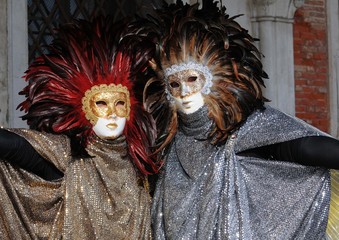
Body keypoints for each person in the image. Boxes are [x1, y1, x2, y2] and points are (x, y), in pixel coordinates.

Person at [133, 0, 339, 239]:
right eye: (174, 85)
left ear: (214, 79)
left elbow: (298, 147)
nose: (185, 93)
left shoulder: (244, 129)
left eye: (192, 80)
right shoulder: (170, 147)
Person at [0, 16, 160, 239]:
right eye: (102, 103)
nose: (112, 113)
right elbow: (14, 146)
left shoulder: (143, 165)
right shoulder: (69, 155)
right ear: (84, 110)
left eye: (120, 103)